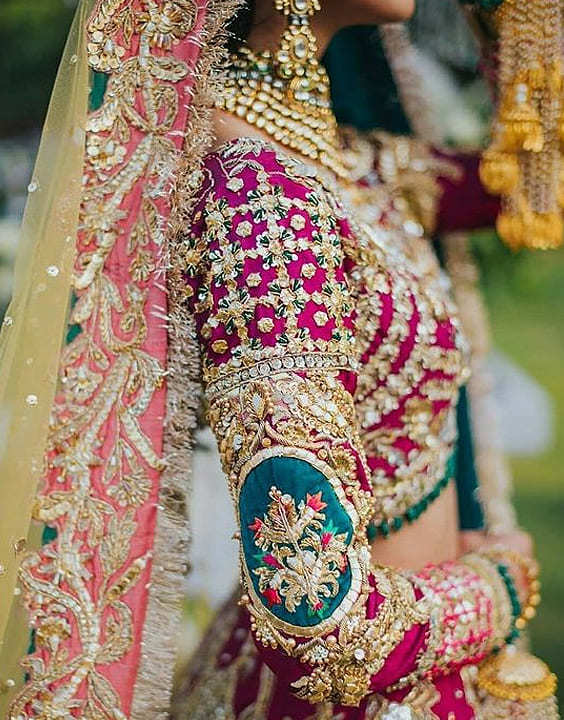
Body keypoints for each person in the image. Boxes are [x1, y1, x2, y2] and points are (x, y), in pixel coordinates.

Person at [0, 1, 559, 719]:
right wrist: (497, 588)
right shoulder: (260, 194)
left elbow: (528, 182)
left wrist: (517, 19)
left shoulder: (337, 157)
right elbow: (319, 621)